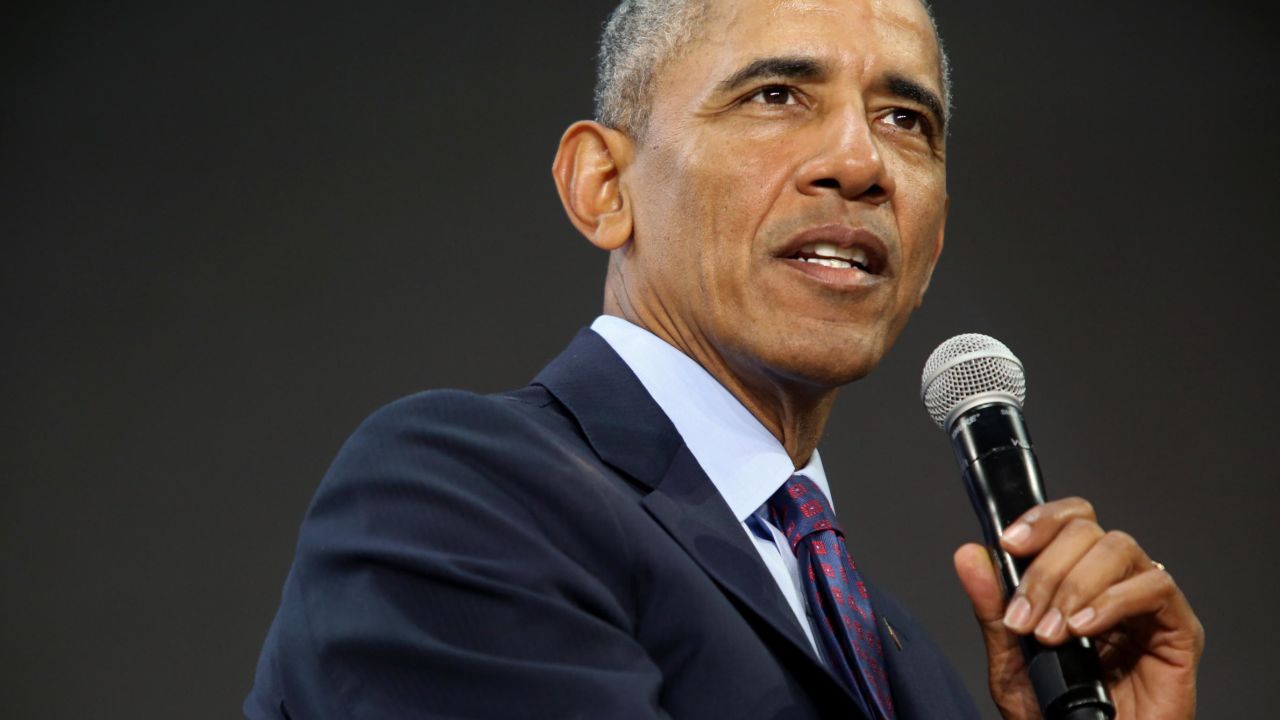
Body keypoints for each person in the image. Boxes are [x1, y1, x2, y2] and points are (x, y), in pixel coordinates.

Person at [246, 0, 1204, 717]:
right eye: (777, 94)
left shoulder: (921, 674)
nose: (861, 162)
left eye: (906, 119)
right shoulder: (456, 495)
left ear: (934, 240)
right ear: (603, 185)